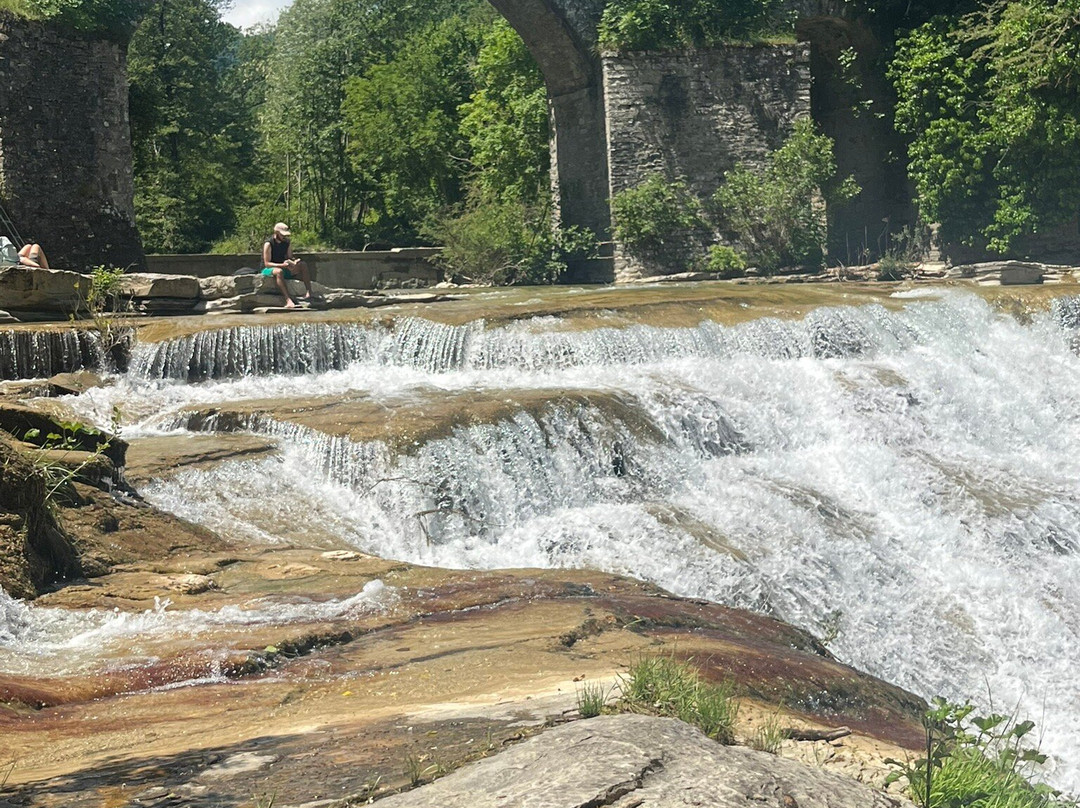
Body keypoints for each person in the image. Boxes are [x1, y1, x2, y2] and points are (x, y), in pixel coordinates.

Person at [261, 222, 313, 308]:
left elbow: (290, 257)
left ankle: (309, 292)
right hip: (268, 269)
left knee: (303, 265)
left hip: (284, 266)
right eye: (282, 235)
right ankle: (288, 299)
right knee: (279, 271)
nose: (284, 237)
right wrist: (282, 265)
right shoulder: (268, 244)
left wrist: (294, 262)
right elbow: (267, 263)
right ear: (276, 233)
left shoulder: (287, 243)